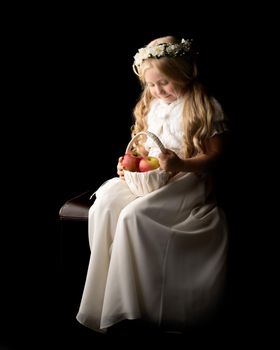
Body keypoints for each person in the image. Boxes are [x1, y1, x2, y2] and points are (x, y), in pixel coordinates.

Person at [76, 35, 229, 334]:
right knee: (105, 205)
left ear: (183, 73)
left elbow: (215, 157)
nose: (159, 90)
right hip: (151, 177)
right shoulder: (151, 104)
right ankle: (103, 299)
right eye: (152, 85)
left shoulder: (204, 106)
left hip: (185, 179)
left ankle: (133, 306)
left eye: (166, 83)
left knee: (135, 216)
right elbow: (142, 149)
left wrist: (182, 164)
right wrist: (128, 163)